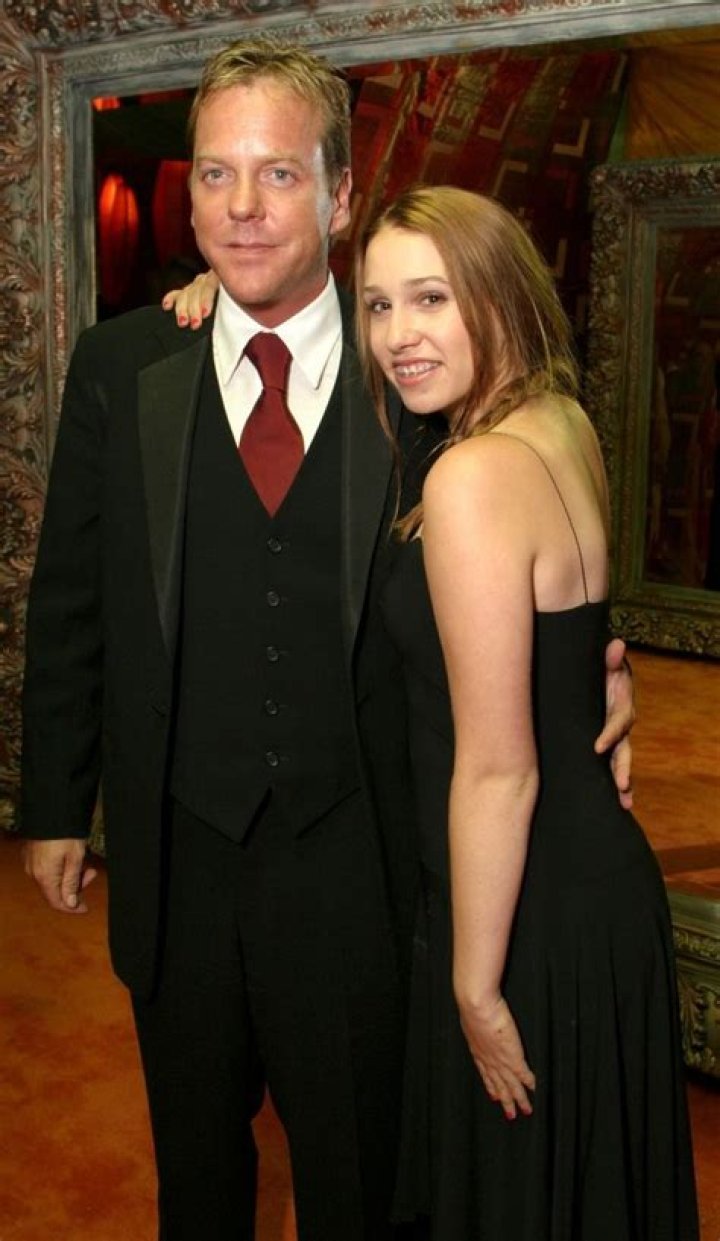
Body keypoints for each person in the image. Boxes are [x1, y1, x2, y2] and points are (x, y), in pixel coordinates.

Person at [20, 35, 634, 1241]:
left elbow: (531, 540)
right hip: (176, 862)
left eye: (279, 174)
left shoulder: (418, 380)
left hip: (360, 869)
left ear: (341, 196)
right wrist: (53, 799)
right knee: (195, 1187)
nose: (242, 207)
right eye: (215, 173)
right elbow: (72, 600)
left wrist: (589, 675)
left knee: (363, 1188)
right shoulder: (123, 365)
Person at [351, 184, 698, 1240]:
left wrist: (473, 985)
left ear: (497, 294)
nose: (398, 336)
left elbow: (501, 768)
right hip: (598, 895)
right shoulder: (562, 421)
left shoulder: (471, 473)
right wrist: (605, 672)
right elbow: (570, 625)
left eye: (431, 298)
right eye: (377, 305)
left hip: (521, 916)